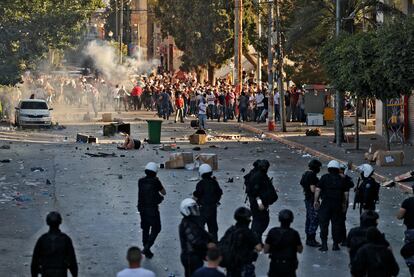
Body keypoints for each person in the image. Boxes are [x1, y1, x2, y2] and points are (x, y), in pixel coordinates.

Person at [314, 160, 347, 251]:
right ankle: (335, 245)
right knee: (336, 225)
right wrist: (344, 204)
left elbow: (317, 190)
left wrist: (316, 201)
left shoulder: (324, 177)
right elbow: (345, 194)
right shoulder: (342, 179)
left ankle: (324, 245)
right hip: (337, 204)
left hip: (326, 204)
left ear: (329, 169)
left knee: (324, 225)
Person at [31, 212, 78, 277]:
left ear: (47, 222)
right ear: (60, 222)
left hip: (46, 273)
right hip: (61, 273)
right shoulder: (66, 239)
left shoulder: (42, 239)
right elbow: (72, 261)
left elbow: (35, 262)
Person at [220, 207, 262, 277]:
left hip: (231, 266)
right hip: (244, 266)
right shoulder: (249, 233)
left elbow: (223, 243)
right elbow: (259, 248)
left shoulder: (231, 230)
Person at [179, 198, 215, 277]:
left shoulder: (193, 221)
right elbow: (195, 240)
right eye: (193, 208)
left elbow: (202, 232)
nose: (195, 210)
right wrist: (208, 245)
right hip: (190, 257)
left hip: (196, 256)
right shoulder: (186, 224)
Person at [137, 162, 166, 259]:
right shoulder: (155, 181)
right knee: (156, 228)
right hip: (152, 209)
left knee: (145, 228)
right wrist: (158, 182)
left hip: (142, 208)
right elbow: (164, 192)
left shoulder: (140, 181)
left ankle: (146, 249)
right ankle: (147, 247)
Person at [245, 159, 278, 242]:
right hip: (258, 204)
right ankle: (254, 240)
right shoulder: (257, 176)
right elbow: (254, 193)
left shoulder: (260, 174)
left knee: (259, 221)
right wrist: (260, 203)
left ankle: (256, 240)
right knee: (260, 221)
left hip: (260, 203)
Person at [264, 209, 303, 277]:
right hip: (289, 265)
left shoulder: (272, 232)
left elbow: (266, 250)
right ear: (291, 220)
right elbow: (300, 250)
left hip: (275, 264)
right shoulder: (294, 233)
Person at [193, 164, 223, 241]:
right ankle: (214, 244)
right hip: (213, 208)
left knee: (200, 227)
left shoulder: (200, 184)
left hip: (203, 208)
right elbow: (219, 192)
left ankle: (200, 245)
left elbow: (197, 195)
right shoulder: (214, 182)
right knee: (213, 228)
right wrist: (216, 201)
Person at [300, 159, 322, 247]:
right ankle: (311, 238)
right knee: (314, 218)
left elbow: (302, 183)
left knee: (309, 218)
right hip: (312, 199)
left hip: (307, 198)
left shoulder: (305, 174)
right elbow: (313, 189)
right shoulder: (312, 175)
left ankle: (308, 236)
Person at [397, 184, 414, 276]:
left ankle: (412, 267)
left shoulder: (407, 202)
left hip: (411, 231)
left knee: (407, 251)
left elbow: (399, 216)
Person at [339, 163, 354, 245]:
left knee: (340, 220)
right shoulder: (338, 177)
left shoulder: (346, 178)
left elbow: (351, 185)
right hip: (339, 201)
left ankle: (342, 239)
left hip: (342, 201)